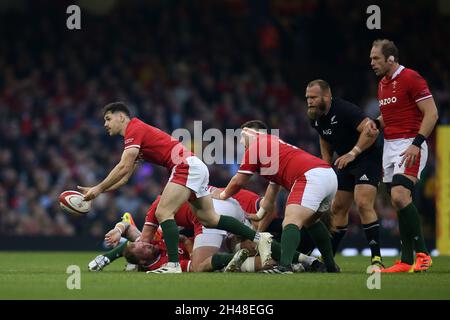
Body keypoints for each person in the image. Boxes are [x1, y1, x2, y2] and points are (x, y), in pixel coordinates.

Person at [78, 102, 273, 273]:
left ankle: (172, 265)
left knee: (163, 212)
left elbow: (123, 166)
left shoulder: (134, 129)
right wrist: (101, 190)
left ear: (121, 117)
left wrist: (97, 188)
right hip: (194, 166)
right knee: (210, 219)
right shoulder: (136, 135)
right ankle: (259, 238)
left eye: (108, 119)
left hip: (184, 166)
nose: (105, 124)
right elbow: (124, 176)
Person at [216, 120, 339, 273]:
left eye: (243, 137)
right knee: (311, 222)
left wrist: (221, 196)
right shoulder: (274, 146)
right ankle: (331, 265)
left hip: (310, 176)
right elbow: (271, 194)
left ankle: (284, 267)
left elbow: (238, 182)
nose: (242, 143)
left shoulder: (257, 147)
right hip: (328, 176)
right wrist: (260, 214)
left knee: (291, 221)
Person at [368, 39, 438, 272]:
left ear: (391, 59)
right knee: (398, 202)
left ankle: (423, 254)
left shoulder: (411, 78)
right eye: (371, 59)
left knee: (399, 195)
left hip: (410, 142)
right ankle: (406, 260)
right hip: (390, 146)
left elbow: (432, 113)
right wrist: (376, 123)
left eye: (376, 58)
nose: (372, 63)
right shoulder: (382, 85)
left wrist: (417, 144)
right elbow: (390, 114)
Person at [305, 79, 384, 270]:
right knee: (338, 207)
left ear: (327, 96)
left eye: (314, 97)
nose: (309, 101)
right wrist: (325, 164)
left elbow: (371, 131)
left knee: (363, 202)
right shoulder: (314, 117)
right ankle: (329, 261)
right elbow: (324, 136)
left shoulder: (345, 110)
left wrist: (353, 152)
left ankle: (376, 260)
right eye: (307, 97)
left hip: (367, 158)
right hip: (344, 162)